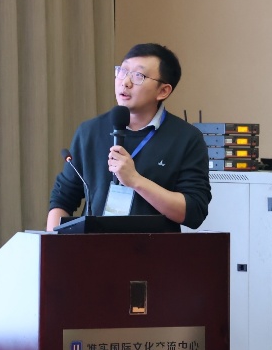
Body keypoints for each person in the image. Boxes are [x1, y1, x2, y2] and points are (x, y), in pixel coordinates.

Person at [46, 43, 211, 231]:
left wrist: (135, 180)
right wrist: (50, 245)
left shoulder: (186, 138)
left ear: (163, 91)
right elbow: (62, 199)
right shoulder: (90, 131)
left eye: (138, 76)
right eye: (122, 71)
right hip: (93, 247)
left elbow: (194, 211)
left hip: (153, 248)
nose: (125, 82)